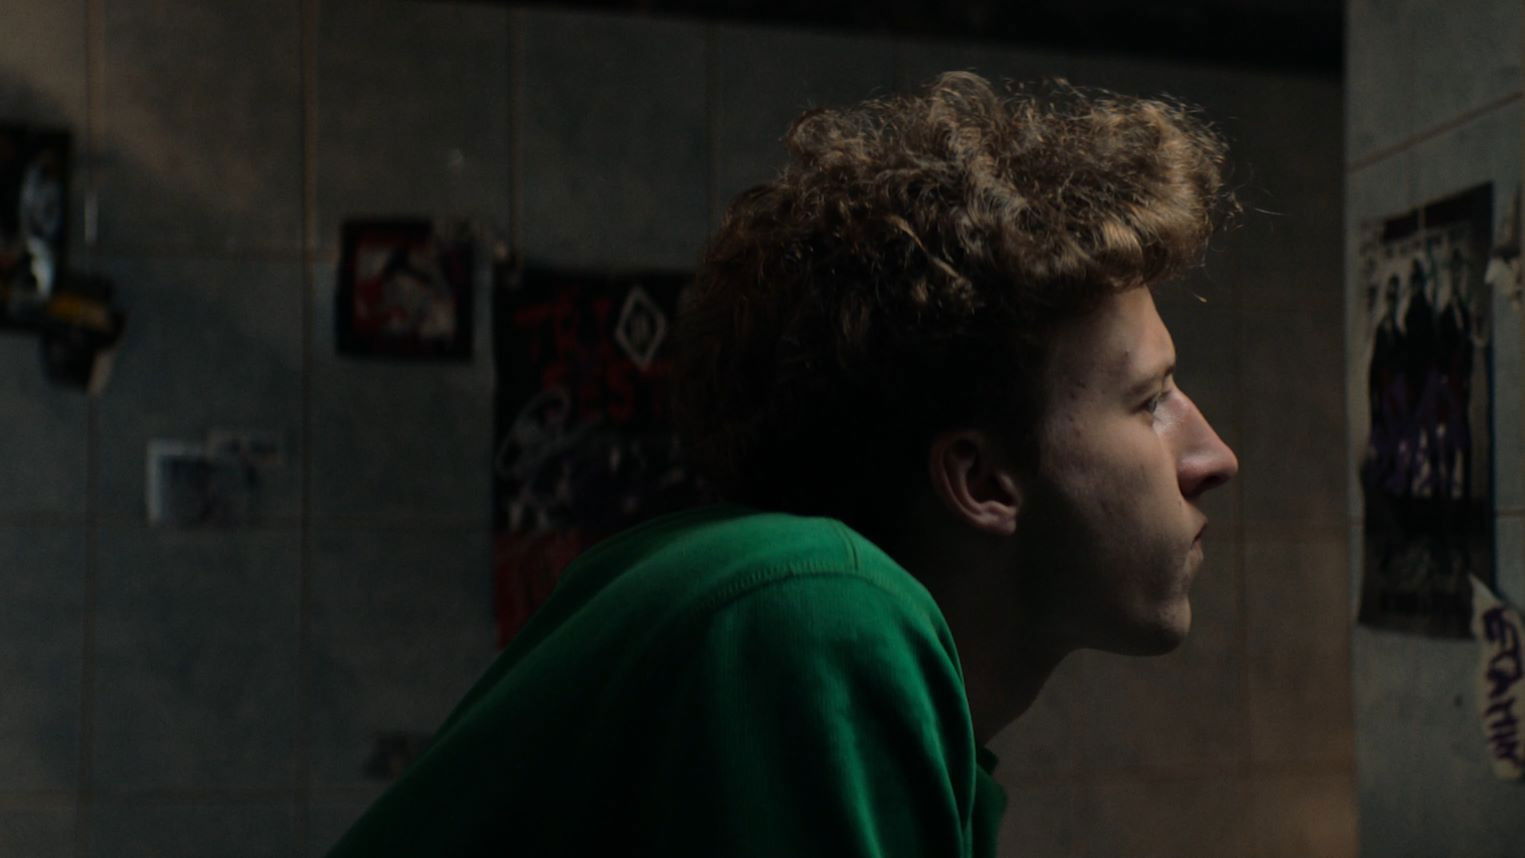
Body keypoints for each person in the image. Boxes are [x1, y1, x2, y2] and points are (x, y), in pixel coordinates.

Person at [328, 71, 1238, 858]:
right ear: (981, 480)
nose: (1212, 457)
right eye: (1149, 399)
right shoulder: (815, 616)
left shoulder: (794, 618)